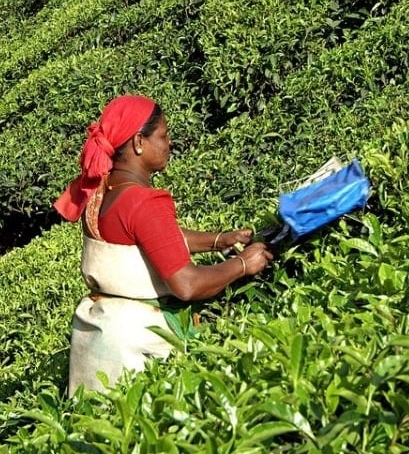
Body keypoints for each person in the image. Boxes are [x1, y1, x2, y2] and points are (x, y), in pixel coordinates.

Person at [54, 95, 273, 394]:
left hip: (102, 333)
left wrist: (219, 240)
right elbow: (187, 284)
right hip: (138, 343)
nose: (169, 143)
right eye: (164, 135)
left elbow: (151, 238)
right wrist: (243, 264)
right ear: (139, 142)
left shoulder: (102, 192)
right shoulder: (144, 201)